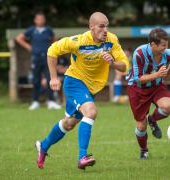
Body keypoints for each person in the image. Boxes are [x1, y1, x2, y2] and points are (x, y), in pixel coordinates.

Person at [35, 12, 129, 170]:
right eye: (101, 26)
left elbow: (124, 65)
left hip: (92, 88)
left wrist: (113, 62)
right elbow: (52, 50)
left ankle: (43, 146)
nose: (105, 30)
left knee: (69, 123)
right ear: (91, 27)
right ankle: (82, 157)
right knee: (91, 112)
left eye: (107, 26)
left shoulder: (111, 40)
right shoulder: (78, 41)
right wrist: (53, 77)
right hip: (74, 82)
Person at [126, 28, 170, 160]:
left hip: (156, 86)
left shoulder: (167, 54)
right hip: (137, 89)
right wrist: (158, 74)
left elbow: (166, 74)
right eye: (163, 45)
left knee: (168, 106)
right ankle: (144, 150)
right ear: (153, 45)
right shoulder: (139, 53)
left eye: (166, 45)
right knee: (141, 125)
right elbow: (138, 78)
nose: (165, 48)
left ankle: (152, 119)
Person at [16, 12, 61, 110]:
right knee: (35, 80)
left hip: (47, 58)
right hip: (35, 58)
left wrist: (52, 48)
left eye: (42, 19)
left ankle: (51, 101)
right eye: (38, 19)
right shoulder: (31, 30)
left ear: (44, 20)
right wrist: (29, 47)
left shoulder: (48, 30)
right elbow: (19, 38)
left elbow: (55, 39)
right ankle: (35, 101)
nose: (40, 20)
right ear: (35, 20)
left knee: (50, 78)